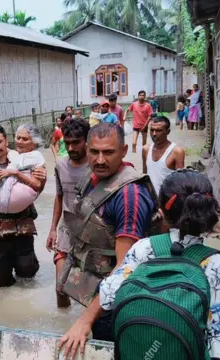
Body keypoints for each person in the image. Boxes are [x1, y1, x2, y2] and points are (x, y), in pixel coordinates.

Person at [58, 169, 220, 360]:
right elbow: (219, 337)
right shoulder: (215, 262)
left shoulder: (144, 248)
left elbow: (108, 293)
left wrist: (83, 322)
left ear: (161, 211)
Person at [57, 123, 157, 340]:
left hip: (117, 304)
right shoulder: (91, 178)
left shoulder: (130, 196)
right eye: (94, 152)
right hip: (97, 293)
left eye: (108, 152)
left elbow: (125, 270)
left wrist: (85, 320)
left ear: (124, 151)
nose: (100, 160)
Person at [0, 125, 46, 287]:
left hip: (22, 223)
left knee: (27, 271)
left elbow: (36, 188)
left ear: (6, 142)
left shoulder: (23, 158)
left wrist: (43, 178)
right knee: (0, 279)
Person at [46, 119, 91, 308]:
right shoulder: (60, 165)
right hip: (67, 230)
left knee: (90, 292)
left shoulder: (97, 166)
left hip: (91, 234)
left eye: (76, 142)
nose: (71, 147)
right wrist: (52, 229)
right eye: (67, 143)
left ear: (87, 141)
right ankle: (62, 324)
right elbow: (59, 197)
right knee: (60, 287)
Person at [142, 115, 185, 194]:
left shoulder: (177, 152)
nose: (154, 134)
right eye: (152, 130)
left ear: (168, 132)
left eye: (158, 130)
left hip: (167, 201)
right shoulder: (146, 149)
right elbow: (144, 176)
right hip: (150, 198)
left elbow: (180, 184)